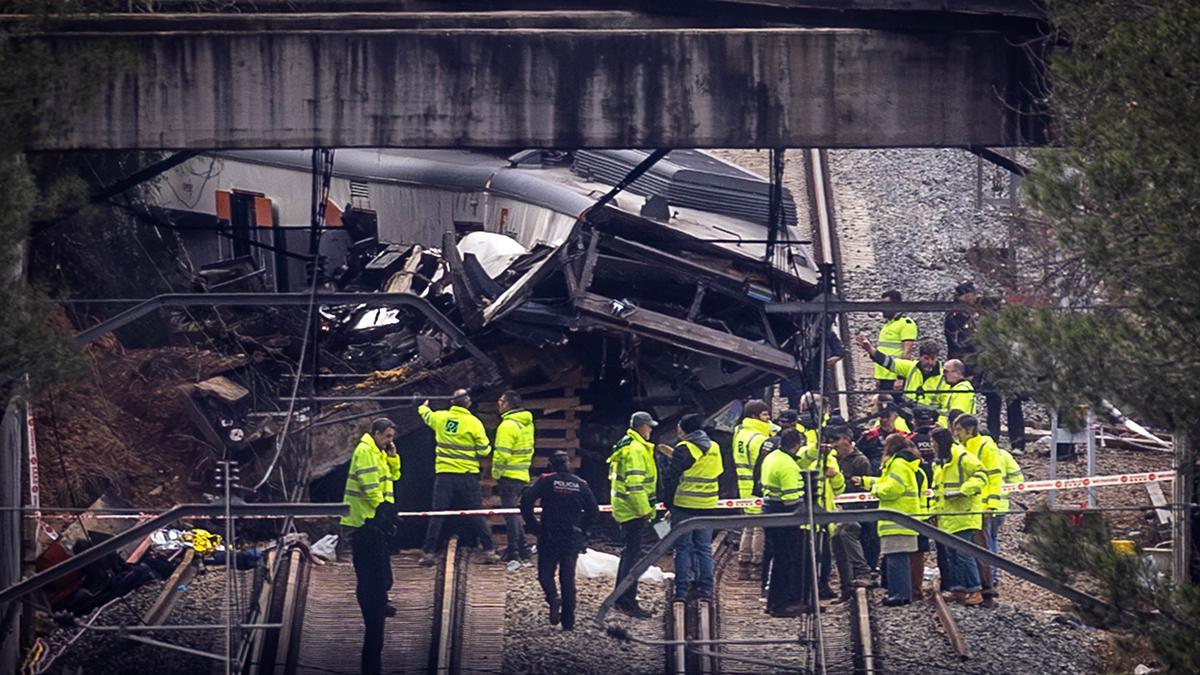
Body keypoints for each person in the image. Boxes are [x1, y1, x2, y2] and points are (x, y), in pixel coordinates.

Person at [341, 418, 401, 675]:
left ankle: (380, 600)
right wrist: (382, 511)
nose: (390, 441)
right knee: (370, 574)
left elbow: (394, 476)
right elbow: (369, 486)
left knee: (382, 572)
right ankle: (373, 604)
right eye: (387, 436)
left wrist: (393, 457)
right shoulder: (365, 451)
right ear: (375, 433)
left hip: (374, 520)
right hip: (364, 520)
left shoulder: (378, 451)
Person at [418, 389, 502, 566]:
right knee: (476, 513)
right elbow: (484, 450)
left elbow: (426, 415)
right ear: (468, 404)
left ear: (451, 403)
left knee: (438, 514)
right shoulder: (473, 423)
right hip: (467, 476)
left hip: (444, 475)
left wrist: (423, 406)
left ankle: (428, 553)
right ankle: (489, 550)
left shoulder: (440, 418)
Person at [520, 451, 600, 631]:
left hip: (549, 534)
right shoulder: (581, 484)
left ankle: (553, 598)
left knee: (545, 574)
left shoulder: (546, 481)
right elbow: (593, 511)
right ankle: (568, 622)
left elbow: (526, 501)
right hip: (571, 536)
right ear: (568, 464)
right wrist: (583, 531)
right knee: (567, 579)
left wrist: (534, 526)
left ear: (551, 465)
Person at [944, 281, 1026, 452]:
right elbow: (964, 343)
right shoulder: (956, 316)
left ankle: (1017, 442)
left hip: (1006, 366)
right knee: (993, 405)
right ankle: (993, 441)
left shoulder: (987, 314)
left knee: (1013, 404)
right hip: (985, 365)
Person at [855, 434, 924, 606]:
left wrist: (875, 490)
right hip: (902, 518)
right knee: (896, 557)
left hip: (898, 518)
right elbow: (887, 482)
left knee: (896, 558)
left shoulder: (898, 464)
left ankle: (900, 594)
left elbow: (893, 489)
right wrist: (866, 482)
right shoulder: (900, 463)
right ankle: (899, 592)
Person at [662, 414, 724, 601]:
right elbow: (719, 471)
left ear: (685, 429)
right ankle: (705, 589)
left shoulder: (685, 448)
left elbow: (671, 477)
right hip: (708, 504)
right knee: (704, 547)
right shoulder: (714, 447)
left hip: (685, 506)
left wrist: (668, 503)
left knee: (683, 548)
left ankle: (682, 590)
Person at [608, 411, 658, 618]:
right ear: (641, 427)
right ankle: (626, 600)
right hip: (633, 511)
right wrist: (645, 510)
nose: (651, 430)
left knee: (629, 555)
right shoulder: (636, 450)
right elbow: (635, 485)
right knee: (632, 557)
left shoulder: (626, 444)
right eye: (649, 426)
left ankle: (622, 598)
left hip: (626, 509)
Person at [760, 428, 813, 617]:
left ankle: (773, 601)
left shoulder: (772, 457)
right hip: (784, 516)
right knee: (786, 560)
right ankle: (780, 604)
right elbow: (791, 500)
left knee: (778, 558)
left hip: (769, 511)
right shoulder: (788, 466)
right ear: (796, 445)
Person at [931, 427, 986, 606]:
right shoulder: (940, 463)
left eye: (934, 443)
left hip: (964, 513)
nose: (932, 446)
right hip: (948, 516)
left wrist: (962, 491)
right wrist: (933, 513)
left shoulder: (962, 457)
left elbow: (981, 475)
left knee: (963, 554)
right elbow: (937, 491)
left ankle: (975, 590)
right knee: (952, 554)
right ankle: (959, 589)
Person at [953, 415, 1001, 605]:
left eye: (958, 430)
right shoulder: (963, 447)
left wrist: (991, 505)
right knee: (967, 548)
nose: (956, 434)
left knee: (979, 548)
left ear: (970, 430)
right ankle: (970, 588)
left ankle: (986, 591)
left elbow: (995, 477)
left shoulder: (986, 447)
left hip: (980, 506)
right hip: (967, 506)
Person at [829, 426, 873, 600]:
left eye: (836, 440)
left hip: (855, 510)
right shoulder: (835, 459)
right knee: (837, 539)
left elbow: (863, 489)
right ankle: (846, 585)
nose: (833, 445)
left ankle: (863, 572)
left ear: (846, 440)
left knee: (847, 532)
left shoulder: (860, 461)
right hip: (838, 510)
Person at [732, 400, 775, 578]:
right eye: (765, 415)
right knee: (759, 528)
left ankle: (743, 565)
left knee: (749, 526)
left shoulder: (740, 433)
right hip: (757, 487)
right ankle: (757, 565)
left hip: (744, 487)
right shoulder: (759, 439)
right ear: (754, 416)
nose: (769, 418)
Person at [494, 390, 535, 562]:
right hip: (521, 473)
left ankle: (515, 551)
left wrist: (496, 472)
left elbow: (502, 454)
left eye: (501, 400)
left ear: (507, 404)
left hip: (508, 475)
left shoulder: (507, 426)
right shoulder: (526, 424)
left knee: (510, 514)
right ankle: (523, 548)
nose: (498, 402)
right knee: (513, 513)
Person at [855, 335, 945, 412]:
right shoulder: (911, 367)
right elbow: (889, 362)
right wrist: (870, 350)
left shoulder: (944, 376)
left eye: (933, 359)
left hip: (931, 418)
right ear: (920, 357)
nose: (929, 362)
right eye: (926, 358)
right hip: (908, 414)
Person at [990, 445, 1025, 584]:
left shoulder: (974, 453)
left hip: (984, 507)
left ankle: (989, 575)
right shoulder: (1003, 454)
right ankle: (992, 575)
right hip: (1001, 507)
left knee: (985, 542)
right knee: (992, 539)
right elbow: (1018, 480)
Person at [875, 290, 918, 391]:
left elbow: (907, 351)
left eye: (886, 304)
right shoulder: (889, 324)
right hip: (883, 376)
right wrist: (878, 377)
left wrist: (900, 378)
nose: (883, 309)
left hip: (893, 377)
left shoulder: (906, 323)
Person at [938, 359, 976, 427]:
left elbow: (956, 418)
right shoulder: (955, 388)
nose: (943, 375)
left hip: (953, 433)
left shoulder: (962, 390)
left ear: (957, 373)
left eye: (946, 371)